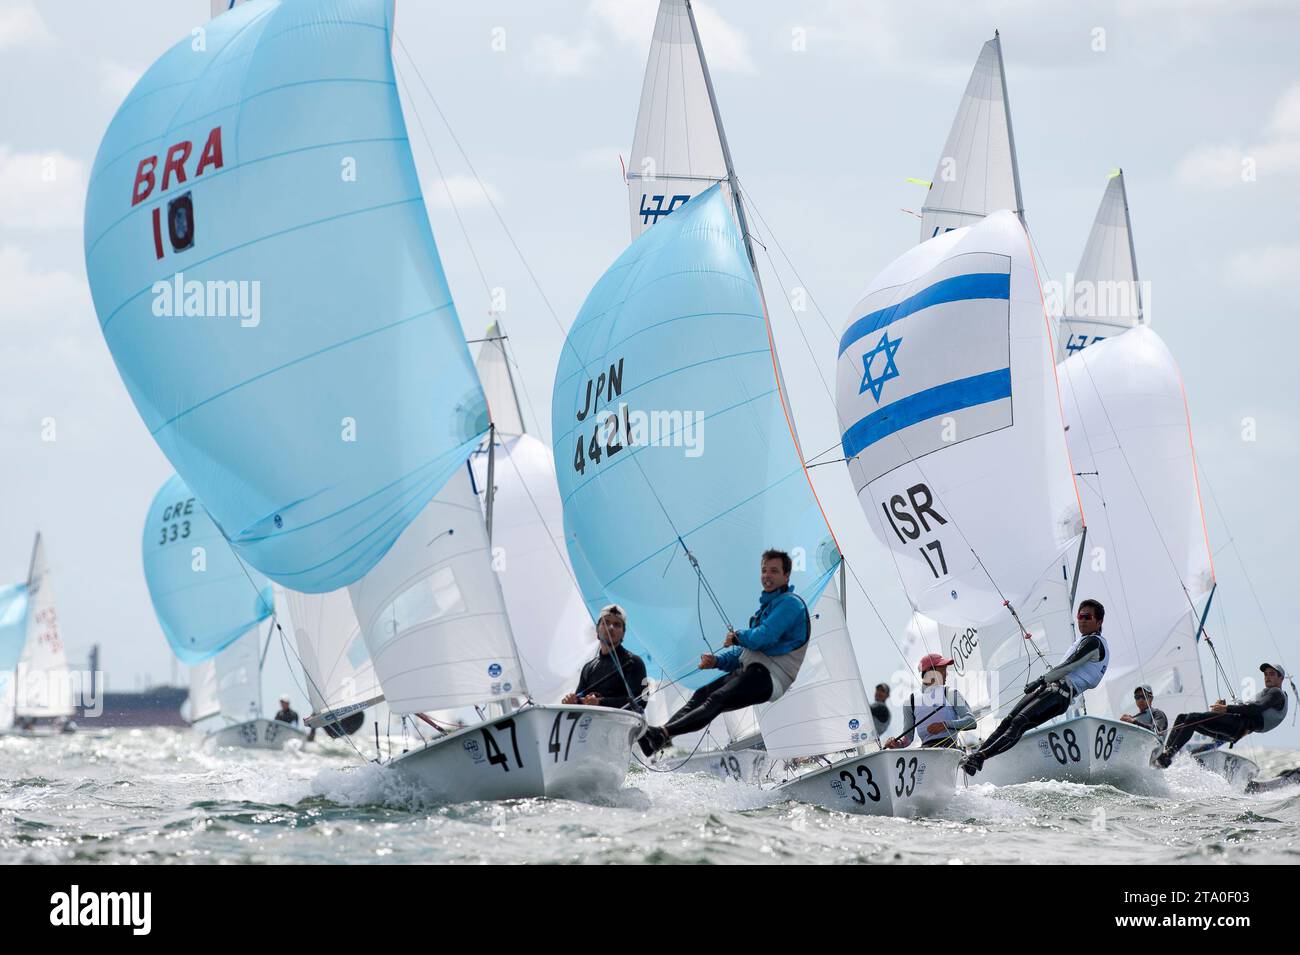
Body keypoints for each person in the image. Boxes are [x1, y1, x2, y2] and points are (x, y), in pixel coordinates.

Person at [639, 549, 809, 757]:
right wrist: (716, 661)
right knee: (702, 693)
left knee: (718, 698)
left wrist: (738, 636)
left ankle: (662, 733)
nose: (767, 575)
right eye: (764, 570)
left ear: (786, 576)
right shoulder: (766, 609)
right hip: (752, 669)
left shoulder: (791, 603)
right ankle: (660, 738)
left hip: (772, 677)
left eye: (774, 571)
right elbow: (744, 652)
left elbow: (765, 636)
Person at [960, 599, 1109, 777]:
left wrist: (1040, 680)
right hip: (1050, 688)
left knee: (1019, 723)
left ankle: (980, 757)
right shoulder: (1084, 640)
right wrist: (1044, 683)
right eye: (1079, 616)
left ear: (1099, 622)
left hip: (1060, 695)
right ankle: (974, 758)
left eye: (1087, 616)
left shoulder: (1094, 643)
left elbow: (1069, 665)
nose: (1082, 620)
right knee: (1008, 721)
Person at [1155, 663, 1289, 768]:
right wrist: (1226, 708)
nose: (1267, 677)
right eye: (1265, 674)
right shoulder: (1269, 693)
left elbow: (1255, 709)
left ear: (1281, 678)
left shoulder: (1276, 693)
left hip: (1237, 727)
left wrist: (1226, 709)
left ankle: (1168, 756)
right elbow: (1249, 708)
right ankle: (1166, 753)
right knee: (1182, 718)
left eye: (1272, 674)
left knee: (1192, 719)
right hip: (1235, 727)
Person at [563, 604, 647, 711]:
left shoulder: (634, 662)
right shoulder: (588, 667)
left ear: (623, 634)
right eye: (606, 622)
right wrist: (571, 701)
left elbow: (642, 701)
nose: (610, 627)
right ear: (597, 629)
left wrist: (601, 702)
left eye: (617, 625)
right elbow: (578, 703)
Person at [885, 653, 976, 749]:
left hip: (951, 750)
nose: (947, 673)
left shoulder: (950, 693)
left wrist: (946, 725)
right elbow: (907, 738)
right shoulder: (910, 702)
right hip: (926, 752)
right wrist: (897, 743)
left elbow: (971, 721)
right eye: (943, 669)